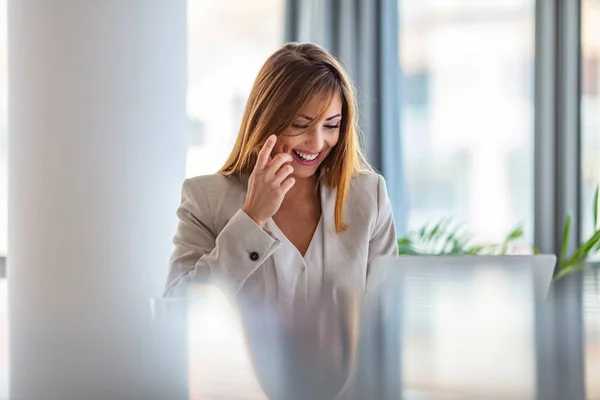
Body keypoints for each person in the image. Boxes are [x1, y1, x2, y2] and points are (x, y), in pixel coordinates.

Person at [164, 42, 398, 301]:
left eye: (331, 125)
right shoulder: (205, 199)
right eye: (300, 125)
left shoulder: (369, 195)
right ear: (265, 119)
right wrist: (252, 219)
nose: (317, 142)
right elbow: (178, 309)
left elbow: (388, 312)